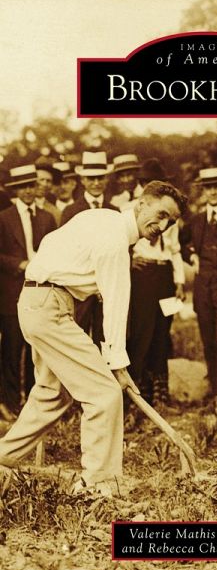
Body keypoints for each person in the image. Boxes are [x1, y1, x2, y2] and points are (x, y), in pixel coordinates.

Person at [0, 180, 186, 493]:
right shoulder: (115, 241)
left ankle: (3, 457)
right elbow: (116, 302)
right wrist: (118, 366)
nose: (164, 226)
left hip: (37, 301)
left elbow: (50, 242)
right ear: (142, 203)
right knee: (105, 394)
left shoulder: (101, 218)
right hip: (49, 307)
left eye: (172, 221)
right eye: (161, 214)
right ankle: (98, 485)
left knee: (51, 393)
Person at [127, 159, 185, 408]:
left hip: (165, 275)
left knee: (162, 332)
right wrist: (130, 260)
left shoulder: (169, 213)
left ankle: (161, 392)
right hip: (142, 276)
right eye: (145, 182)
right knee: (142, 331)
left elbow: (175, 249)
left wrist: (179, 281)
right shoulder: (130, 209)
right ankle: (140, 390)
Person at [0, 164, 56, 419]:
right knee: (12, 350)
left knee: (36, 351)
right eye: (23, 187)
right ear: (15, 190)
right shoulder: (4, 218)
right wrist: (18, 264)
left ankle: (34, 405)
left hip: (39, 293)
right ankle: (10, 402)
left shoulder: (47, 218)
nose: (28, 191)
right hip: (12, 292)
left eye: (32, 185)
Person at [181, 167, 217, 415]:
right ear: (204, 190)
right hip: (203, 287)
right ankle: (215, 391)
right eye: (209, 187)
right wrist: (191, 255)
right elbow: (180, 242)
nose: (213, 192)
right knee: (209, 340)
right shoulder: (197, 220)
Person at [61, 151, 118, 347]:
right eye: (91, 178)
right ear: (82, 180)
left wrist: (107, 283)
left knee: (105, 339)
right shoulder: (70, 211)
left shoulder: (114, 211)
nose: (96, 183)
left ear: (106, 180)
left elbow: (119, 250)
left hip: (106, 289)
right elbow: (66, 252)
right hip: (80, 287)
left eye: (100, 178)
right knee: (79, 338)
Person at [34, 158, 62, 226]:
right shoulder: (18, 206)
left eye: (48, 181)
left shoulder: (55, 212)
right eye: (41, 179)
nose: (44, 184)